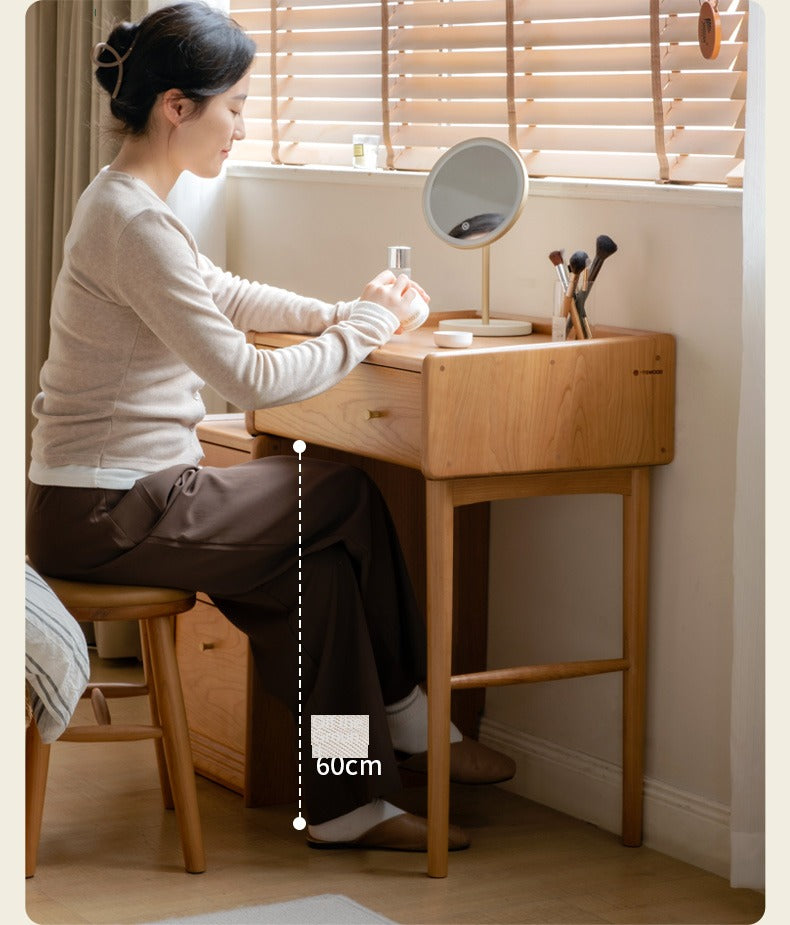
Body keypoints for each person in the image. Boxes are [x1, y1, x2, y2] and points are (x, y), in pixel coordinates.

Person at [26, 1, 515, 853]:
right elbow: (244, 375)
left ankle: (347, 799)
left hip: (115, 500)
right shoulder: (133, 221)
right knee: (347, 493)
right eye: (236, 107)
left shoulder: (130, 204)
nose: (241, 129)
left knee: (319, 576)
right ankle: (412, 718)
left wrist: (347, 311)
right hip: (107, 511)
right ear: (178, 106)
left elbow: (225, 292)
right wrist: (362, 327)